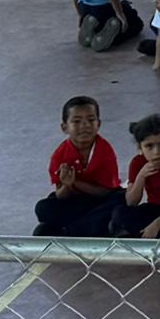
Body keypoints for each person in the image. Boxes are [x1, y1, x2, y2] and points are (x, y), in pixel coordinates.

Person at [33, 95, 119, 236]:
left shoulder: (105, 150)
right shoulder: (60, 155)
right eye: (77, 121)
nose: (84, 126)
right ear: (64, 127)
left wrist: (76, 183)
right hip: (75, 202)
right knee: (44, 208)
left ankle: (72, 230)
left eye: (90, 120)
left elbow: (105, 192)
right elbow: (61, 195)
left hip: (100, 201)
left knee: (119, 201)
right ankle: (86, 228)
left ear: (99, 124)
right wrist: (67, 185)